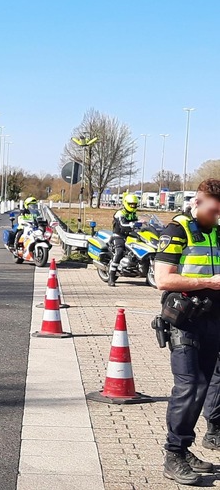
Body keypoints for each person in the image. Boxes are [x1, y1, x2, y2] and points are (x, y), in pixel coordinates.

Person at [155, 179, 220, 485]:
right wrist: (209, 282)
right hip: (184, 321)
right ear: (197, 202)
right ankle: (172, 455)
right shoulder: (177, 230)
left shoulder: (217, 232)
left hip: (212, 321)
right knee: (189, 387)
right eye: (212, 210)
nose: (215, 217)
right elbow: (163, 280)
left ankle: (183, 450)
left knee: (203, 387)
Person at [108, 193, 140, 287]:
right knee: (119, 252)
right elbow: (122, 225)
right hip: (118, 235)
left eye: (134, 204)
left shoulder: (134, 214)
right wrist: (132, 225)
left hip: (130, 236)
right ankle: (111, 276)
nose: (133, 206)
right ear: (126, 203)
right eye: (131, 204)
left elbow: (138, 224)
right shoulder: (120, 213)